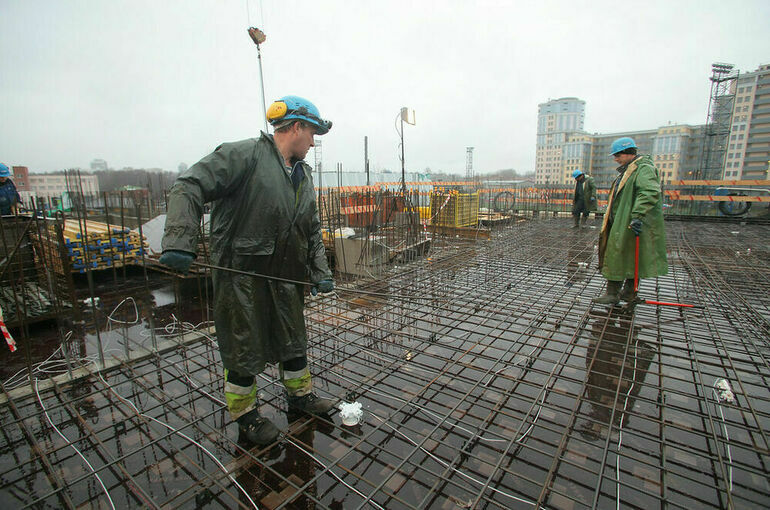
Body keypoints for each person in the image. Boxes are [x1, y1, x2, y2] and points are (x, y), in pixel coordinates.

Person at [160, 95, 336, 446]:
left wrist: (319, 270)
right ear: (296, 128)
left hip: (285, 278)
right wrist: (180, 240)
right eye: (312, 133)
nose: (314, 142)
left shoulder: (303, 175)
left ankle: (300, 398)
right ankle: (246, 417)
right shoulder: (245, 156)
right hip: (242, 279)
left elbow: (311, 229)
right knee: (242, 349)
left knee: (293, 341)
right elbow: (189, 184)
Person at [594, 137, 667, 304]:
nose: (616, 159)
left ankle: (617, 294)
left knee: (620, 254)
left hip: (629, 220)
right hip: (622, 219)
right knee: (624, 255)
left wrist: (637, 215)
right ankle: (623, 293)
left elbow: (648, 192)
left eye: (618, 155)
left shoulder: (644, 169)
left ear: (628, 153)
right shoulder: (630, 169)